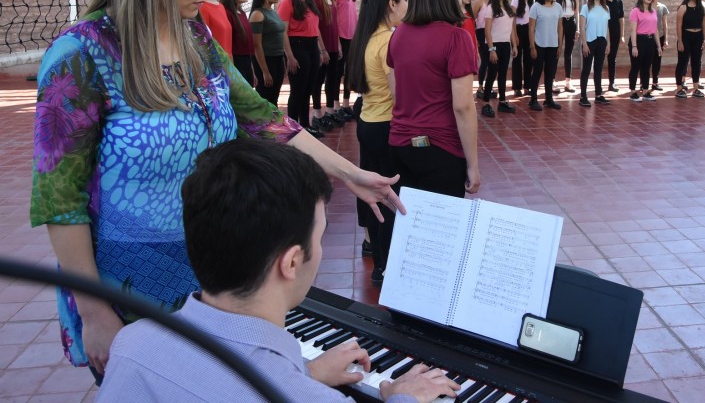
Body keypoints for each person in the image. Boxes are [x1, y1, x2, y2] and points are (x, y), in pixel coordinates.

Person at [29, 0, 402, 380]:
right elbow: (60, 198)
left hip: (213, 274)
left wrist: (352, 174)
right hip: (128, 290)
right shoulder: (82, 54)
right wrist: (96, 311)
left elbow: (263, 118)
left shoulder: (196, 40)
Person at [97, 138, 457, 403]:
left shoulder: (133, 344)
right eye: (320, 235)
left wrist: (305, 372)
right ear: (292, 262)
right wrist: (403, 396)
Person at [387, 0, 480, 197]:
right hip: (441, 149)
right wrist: (473, 165)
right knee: (443, 228)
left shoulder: (399, 34)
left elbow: (396, 92)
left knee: (412, 225)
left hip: (400, 143)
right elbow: (463, 107)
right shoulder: (456, 38)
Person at [348, 0, 409, 286]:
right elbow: (400, 96)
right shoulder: (388, 40)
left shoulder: (367, 36)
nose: (408, 6)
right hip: (386, 125)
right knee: (388, 196)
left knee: (375, 195)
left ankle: (379, 259)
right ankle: (385, 266)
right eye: (405, 0)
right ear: (392, 5)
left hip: (368, 122)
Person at [277, 0, 326, 138]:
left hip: (312, 46)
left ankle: (305, 125)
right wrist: (289, 56)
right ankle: (292, 128)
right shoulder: (287, 2)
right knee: (298, 89)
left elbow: (315, 28)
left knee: (309, 89)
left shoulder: (309, 2)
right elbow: (283, 32)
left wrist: (321, 49)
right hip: (297, 46)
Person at [312, 0, 347, 129]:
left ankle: (330, 111)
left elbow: (335, 24)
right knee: (318, 80)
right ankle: (317, 114)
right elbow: (316, 27)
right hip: (323, 46)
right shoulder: (316, 0)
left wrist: (338, 44)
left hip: (333, 45)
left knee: (333, 79)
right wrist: (322, 49)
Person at [250, 0, 292, 106]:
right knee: (266, 97)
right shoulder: (258, 14)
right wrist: (265, 71)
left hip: (278, 59)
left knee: (274, 97)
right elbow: (257, 45)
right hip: (266, 60)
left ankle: (273, 124)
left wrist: (282, 61)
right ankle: (265, 125)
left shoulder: (273, 12)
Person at [480, 0, 518, 117]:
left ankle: (502, 101)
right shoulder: (491, 8)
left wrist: (514, 45)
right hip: (494, 44)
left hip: (505, 45)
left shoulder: (508, 9)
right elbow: (487, 31)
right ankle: (486, 104)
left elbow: (511, 30)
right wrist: (491, 50)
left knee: (503, 74)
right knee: (492, 74)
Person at [528, 0, 564, 111]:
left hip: (553, 45)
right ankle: (533, 99)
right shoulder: (536, 7)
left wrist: (560, 45)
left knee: (550, 73)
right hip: (539, 44)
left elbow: (560, 27)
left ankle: (549, 99)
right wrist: (532, 46)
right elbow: (531, 28)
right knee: (537, 72)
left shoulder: (558, 7)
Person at [674, 0, 705, 99]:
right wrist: (680, 41)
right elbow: (678, 26)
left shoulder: (702, 7)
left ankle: (695, 88)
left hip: (698, 37)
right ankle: (679, 88)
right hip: (686, 37)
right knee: (682, 62)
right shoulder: (683, 7)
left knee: (696, 62)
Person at [219, 0, 256, 87]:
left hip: (247, 62)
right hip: (236, 64)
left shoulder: (242, 13)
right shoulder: (227, 13)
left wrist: (252, 71)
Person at [578, 0, 610, 107]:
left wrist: (608, 43)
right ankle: (583, 96)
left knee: (598, 68)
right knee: (586, 69)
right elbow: (582, 27)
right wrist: (584, 44)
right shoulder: (586, 8)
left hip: (601, 41)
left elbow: (607, 27)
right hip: (589, 41)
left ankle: (598, 95)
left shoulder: (606, 8)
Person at [628, 0, 661, 102]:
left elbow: (655, 29)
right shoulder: (635, 11)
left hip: (650, 41)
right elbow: (633, 30)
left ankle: (646, 91)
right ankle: (633, 91)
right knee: (636, 66)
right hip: (639, 40)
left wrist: (658, 45)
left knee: (647, 67)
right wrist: (634, 46)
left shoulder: (653, 11)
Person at [334, 0, 358, 117]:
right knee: (337, 72)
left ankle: (346, 104)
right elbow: (334, 16)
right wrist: (336, 40)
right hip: (341, 37)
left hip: (351, 37)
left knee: (349, 71)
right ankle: (336, 106)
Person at [556, 0, 580, 93]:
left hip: (571, 22)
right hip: (560, 22)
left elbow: (577, 12)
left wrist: (578, 28)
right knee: (556, 50)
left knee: (568, 52)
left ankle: (568, 82)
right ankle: (553, 81)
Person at [511, 0, 534, 97]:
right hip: (518, 30)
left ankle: (527, 86)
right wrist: (514, 36)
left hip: (529, 30)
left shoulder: (533, 1)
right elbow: (512, 21)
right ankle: (517, 87)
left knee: (528, 60)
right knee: (517, 60)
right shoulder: (515, 1)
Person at [472, 0, 494, 98]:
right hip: (481, 33)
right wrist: (475, 38)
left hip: (492, 34)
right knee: (485, 60)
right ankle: (480, 86)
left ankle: (488, 86)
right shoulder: (480, 2)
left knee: (492, 61)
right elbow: (472, 20)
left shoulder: (495, 3)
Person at [603, 0, 624, 93]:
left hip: (615, 33)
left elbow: (621, 19)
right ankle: (598, 84)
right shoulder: (602, 2)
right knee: (600, 58)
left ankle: (612, 82)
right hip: (603, 34)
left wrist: (622, 35)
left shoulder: (619, 2)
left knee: (612, 58)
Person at [651, 0, 670, 92]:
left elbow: (665, 24)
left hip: (660, 37)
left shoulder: (662, 7)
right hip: (648, 37)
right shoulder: (645, 7)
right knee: (646, 61)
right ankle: (642, 83)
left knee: (657, 61)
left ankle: (655, 82)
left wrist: (666, 39)